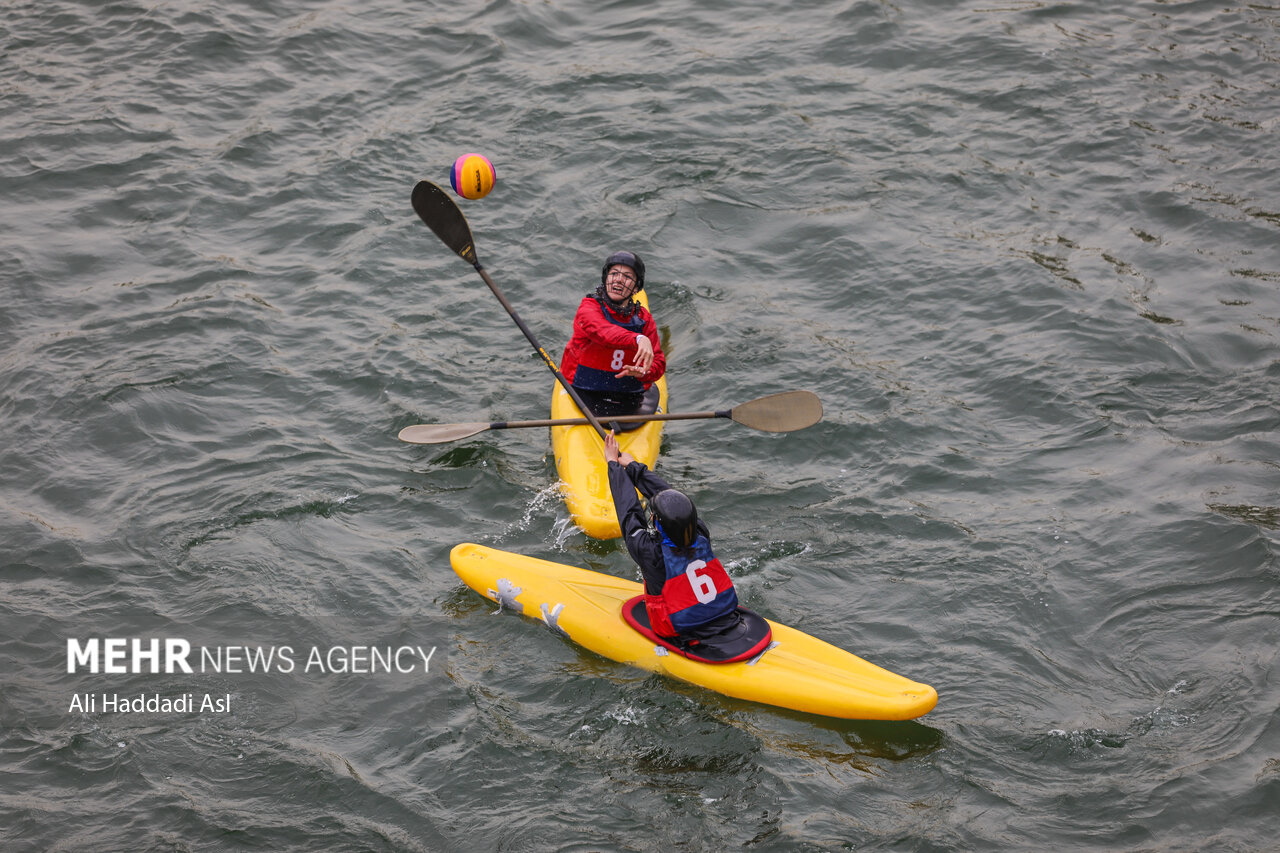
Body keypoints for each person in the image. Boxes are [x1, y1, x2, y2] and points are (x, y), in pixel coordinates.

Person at [603, 432, 741, 641]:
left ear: (655, 521)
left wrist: (613, 465)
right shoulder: (700, 531)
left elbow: (629, 511)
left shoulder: (650, 552)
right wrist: (633, 467)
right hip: (725, 614)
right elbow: (671, 497)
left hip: (677, 629)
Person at [560, 251, 666, 418]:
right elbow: (603, 332)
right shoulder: (588, 308)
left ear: (636, 288)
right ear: (606, 278)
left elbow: (658, 363)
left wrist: (644, 372)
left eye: (627, 276)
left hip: (629, 395)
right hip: (582, 389)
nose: (618, 279)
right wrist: (638, 339)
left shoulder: (644, 319)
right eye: (614, 274)